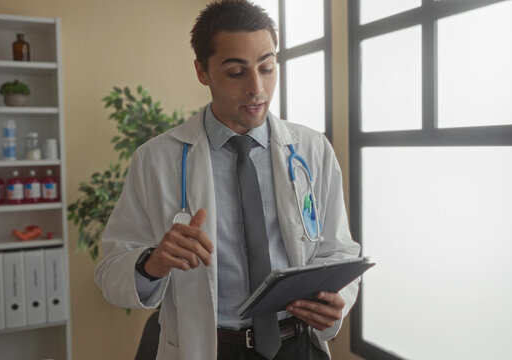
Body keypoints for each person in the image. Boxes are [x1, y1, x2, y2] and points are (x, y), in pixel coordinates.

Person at [94, 1, 360, 359]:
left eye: (266, 67)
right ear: (202, 72)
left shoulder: (312, 149)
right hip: (212, 348)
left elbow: (339, 249)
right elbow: (111, 271)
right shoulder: (155, 159)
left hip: (297, 345)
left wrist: (336, 300)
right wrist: (151, 263)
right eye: (237, 72)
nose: (257, 88)